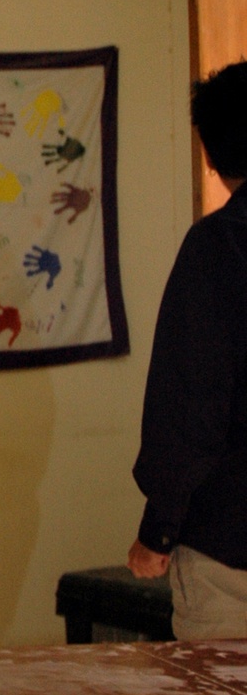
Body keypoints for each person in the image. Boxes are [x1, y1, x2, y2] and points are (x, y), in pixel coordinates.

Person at [127, 59, 247, 638]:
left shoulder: (218, 248)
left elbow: (191, 409)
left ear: (210, 154)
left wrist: (158, 531)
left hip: (231, 551)